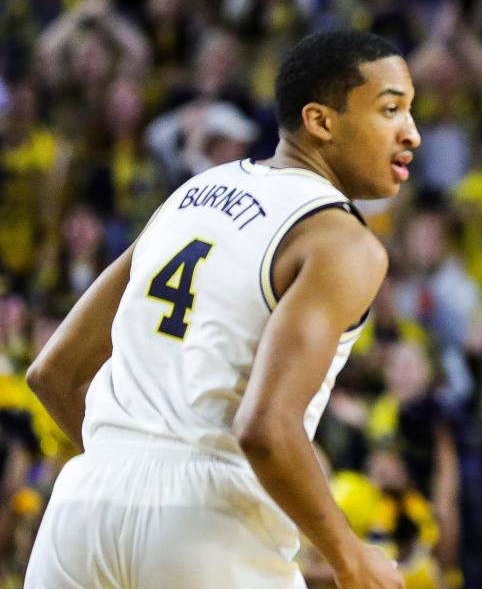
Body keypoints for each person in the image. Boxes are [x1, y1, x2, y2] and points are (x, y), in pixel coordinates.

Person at [24, 29, 420, 589]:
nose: (413, 133)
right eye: (391, 109)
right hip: (209, 520)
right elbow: (265, 427)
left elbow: (53, 372)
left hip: (83, 505)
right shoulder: (341, 241)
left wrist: (131, 478)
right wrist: (350, 556)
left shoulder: (189, 195)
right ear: (321, 121)